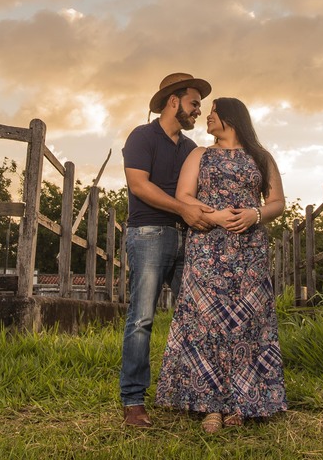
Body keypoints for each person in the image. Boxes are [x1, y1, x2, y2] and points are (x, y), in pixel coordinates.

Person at [155, 96, 288, 433]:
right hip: (207, 245)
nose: (207, 118)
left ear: (231, 116)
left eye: (213, 112)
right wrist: (214, 216)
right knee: (206, 322)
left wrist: (255, 214)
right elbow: (184, 196)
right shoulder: (200, 154)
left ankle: (242, 402)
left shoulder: (261, 157)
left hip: (249, 249)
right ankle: (210, 405)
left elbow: (277, 202)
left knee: (248, 322)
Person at [120, 72, 216, 428]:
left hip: (186, 237)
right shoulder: (142, 136)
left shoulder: (191, 149)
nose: (198, 111)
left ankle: (194, 395)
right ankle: (133, 401)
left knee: (195, 317)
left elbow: (196, 194)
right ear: (173, 101)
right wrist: (182, 210)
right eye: (194, 103)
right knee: (142, 318)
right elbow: (139, 185)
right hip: (148, 233)